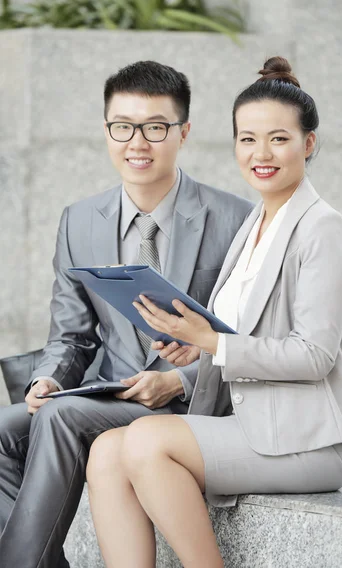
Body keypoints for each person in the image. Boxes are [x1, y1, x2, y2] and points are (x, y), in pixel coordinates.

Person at [87, 56, 342, 568]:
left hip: (309, 440)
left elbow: (314, 356)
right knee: (106, 450)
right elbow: (240, 339)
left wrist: (214, 342)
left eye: (278, 139)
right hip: (253, 424)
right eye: (247, 139)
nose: (261, 153)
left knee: (147, 440)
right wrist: (196, 345)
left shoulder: (322, 227)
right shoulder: (253, 225)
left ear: (308, 144)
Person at [0, 60, 253, 568]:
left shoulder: (234, 219)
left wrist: (178, 380)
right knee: (16, 423)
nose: (137, 142)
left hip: (191, 405)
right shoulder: (78, 220)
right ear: (106, 130)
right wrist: (48, 378)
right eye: (123, 127)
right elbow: (70, 336)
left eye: (155, 127)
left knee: (62, 414)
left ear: (183, 131)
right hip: (106, 394)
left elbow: (248, 339)